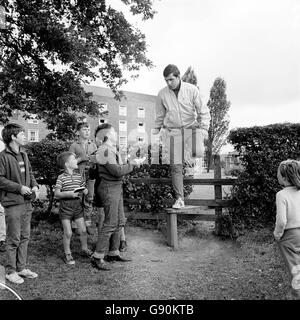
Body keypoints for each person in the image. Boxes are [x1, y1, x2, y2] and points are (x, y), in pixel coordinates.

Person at [153, 64, 210, 209]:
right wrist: (156, 130)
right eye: (166, 80)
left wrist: (204, 128)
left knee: (198, 152)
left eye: (171, 79)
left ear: (178, 77)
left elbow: (202, 110)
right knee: (175, 166)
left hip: (191, 127)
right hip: (174, 131)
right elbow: (159, 115)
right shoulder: (162, 94)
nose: (168, 83)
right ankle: (179, 199)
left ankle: (191, 157)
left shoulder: (191, 89)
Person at [91, 123, 141, 271]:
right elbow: (117, 171)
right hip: (108, 188)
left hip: (116, 188)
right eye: (113, 131)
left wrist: (131, 162)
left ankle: (113, 252)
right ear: (106, 134)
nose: (116, 133)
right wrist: (133, 164)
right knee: (111, 222)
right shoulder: (104, 150)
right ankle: (97, 256)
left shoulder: (111, 149)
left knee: (119, 221)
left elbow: (119, 169)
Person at [0, 123, 39, 284]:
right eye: (22, 134)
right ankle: (10, 271)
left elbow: (30, 173)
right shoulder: (2, 156)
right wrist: (19, 188)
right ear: (13, 137)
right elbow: (0, 179)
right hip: (13, 202)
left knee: (25, 236)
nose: (24, 136)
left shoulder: (24, 155)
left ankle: (21, 268)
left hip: (27, 202)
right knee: (13, 238)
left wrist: (35, 184)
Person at [54, 151, 93, 265]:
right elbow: (57, 193)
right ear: (67, 164)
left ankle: (85, 249)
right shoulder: (61, 178)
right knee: (68, 233)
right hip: (65, 208)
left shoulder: (78, 176)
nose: (76, 161)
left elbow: (83, 187)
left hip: (77, 207)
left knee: (83, 230)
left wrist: (85, 191)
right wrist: (69, 194)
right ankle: (68, 254)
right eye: (74, 159)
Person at [274, 159, 300, 299]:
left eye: (277, 173)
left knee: (295, 268)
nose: (276, 175)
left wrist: (277, 234)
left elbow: (282, 220)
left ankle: (296, 295)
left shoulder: (281, 195)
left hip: (290, 236)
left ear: (284, 177)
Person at [69, 122, 97, 235]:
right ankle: (75, 225)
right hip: (77, 176)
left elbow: (97, 160)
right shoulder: (74, 145)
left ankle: (87, 224)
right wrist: (81, 159)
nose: (87, 131)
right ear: (78, 132)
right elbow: (70, 163)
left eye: (88, 129)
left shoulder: (93, 145)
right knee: (77, 198)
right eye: (85, 129)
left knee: (89, 198)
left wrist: (93, 159)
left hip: (90, 175)